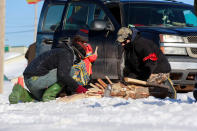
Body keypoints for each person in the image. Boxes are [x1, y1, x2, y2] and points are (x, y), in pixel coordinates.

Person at [9, 40, 88, 104]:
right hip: (36, 79)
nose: (76, 62)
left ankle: (20, 91)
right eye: (78, 60)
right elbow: (63, 75)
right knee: (70, 70)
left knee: (39, 100)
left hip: (29, 80)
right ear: (78, 55)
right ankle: (49, 95)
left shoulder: (60, 51)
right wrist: (78, 87)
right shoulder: (67, 54)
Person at [116, 27, 176, 99]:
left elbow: (151, 63)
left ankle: (167, 88)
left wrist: (142, 79)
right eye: (121, 42)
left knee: (147, 85)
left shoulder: (142, 44)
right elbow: (129, 66)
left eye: (124, 42)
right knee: (130, 84)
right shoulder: (128, 48)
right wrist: (127, 79)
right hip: (142, 71)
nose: (122, 44)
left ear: (130, 38)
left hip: (157, 71)